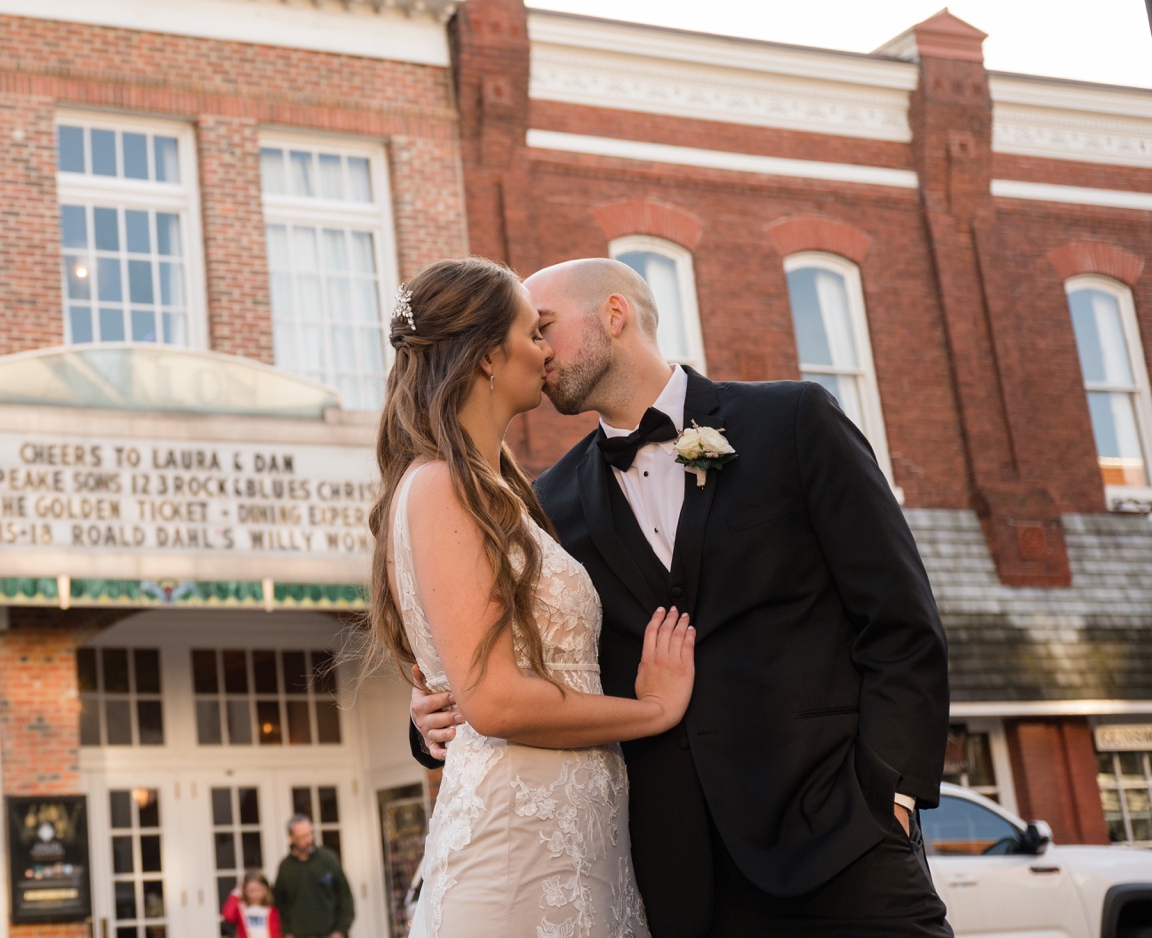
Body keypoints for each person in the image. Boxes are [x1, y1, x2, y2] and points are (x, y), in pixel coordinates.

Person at [406, 258, 952, 938]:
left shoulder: (793, 421)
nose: (539, 351)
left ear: (614, 314)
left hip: (842, 850)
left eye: (544, 327)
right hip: (675, 885)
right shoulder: (547, 505)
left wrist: (888, 797)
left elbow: (901, 620)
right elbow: (528, 660)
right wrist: (434, 713)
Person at [370, 256, 697, 937]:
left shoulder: (510, 495)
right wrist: (653, 708)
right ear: (489, 354)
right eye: (532, 331)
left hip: (582, 850)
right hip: (516, 856)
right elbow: (491, 699)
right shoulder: (440, 485)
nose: (546, 350)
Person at [272, 814, 354, 938]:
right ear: (291, 838)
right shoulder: (285, 867)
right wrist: (287, 932)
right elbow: (279, 904)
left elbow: (345, 898)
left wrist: (340, 931)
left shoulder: (328, 859)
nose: (309, 839)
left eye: (310, 834)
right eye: (303, 837)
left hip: (330, 934)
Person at [221, 869, 281, 938]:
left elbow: (276, 933)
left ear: (265, 890)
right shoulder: (241, 909)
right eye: (251, 890)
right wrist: (236, 893)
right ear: (245, 891)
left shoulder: (271, 910)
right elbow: (228, 915)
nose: (255, 894)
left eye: (258, 890)